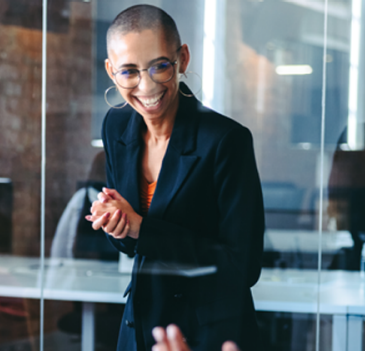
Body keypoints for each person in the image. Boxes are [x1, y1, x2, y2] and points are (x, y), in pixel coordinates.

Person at [87, 5, 264, 351]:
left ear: (181, 58)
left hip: (208, 334)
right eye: (129, 72)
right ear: (111, 71)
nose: (146, 85)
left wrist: (142, 228)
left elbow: (243, 268)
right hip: (140, 327)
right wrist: (118, 222)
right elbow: (131, 246)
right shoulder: (116, 126)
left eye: (160, 66)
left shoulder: (226, 140)